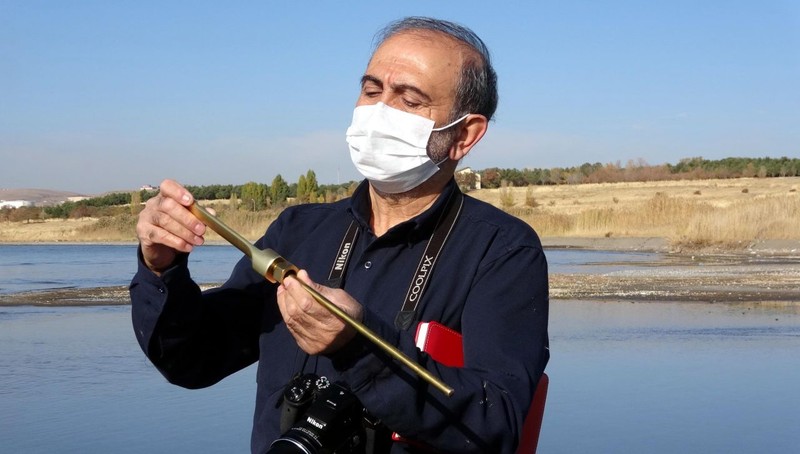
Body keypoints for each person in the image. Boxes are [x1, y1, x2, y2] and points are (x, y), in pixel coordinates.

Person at [131, 16, 549, 453]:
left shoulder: (502, 251)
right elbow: (192, 360)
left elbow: (497, 423)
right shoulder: (299, 230)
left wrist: (359, 347)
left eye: (409, 99)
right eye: (371, 91)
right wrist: (162, 269)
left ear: (465, 135)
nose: (380, 111)